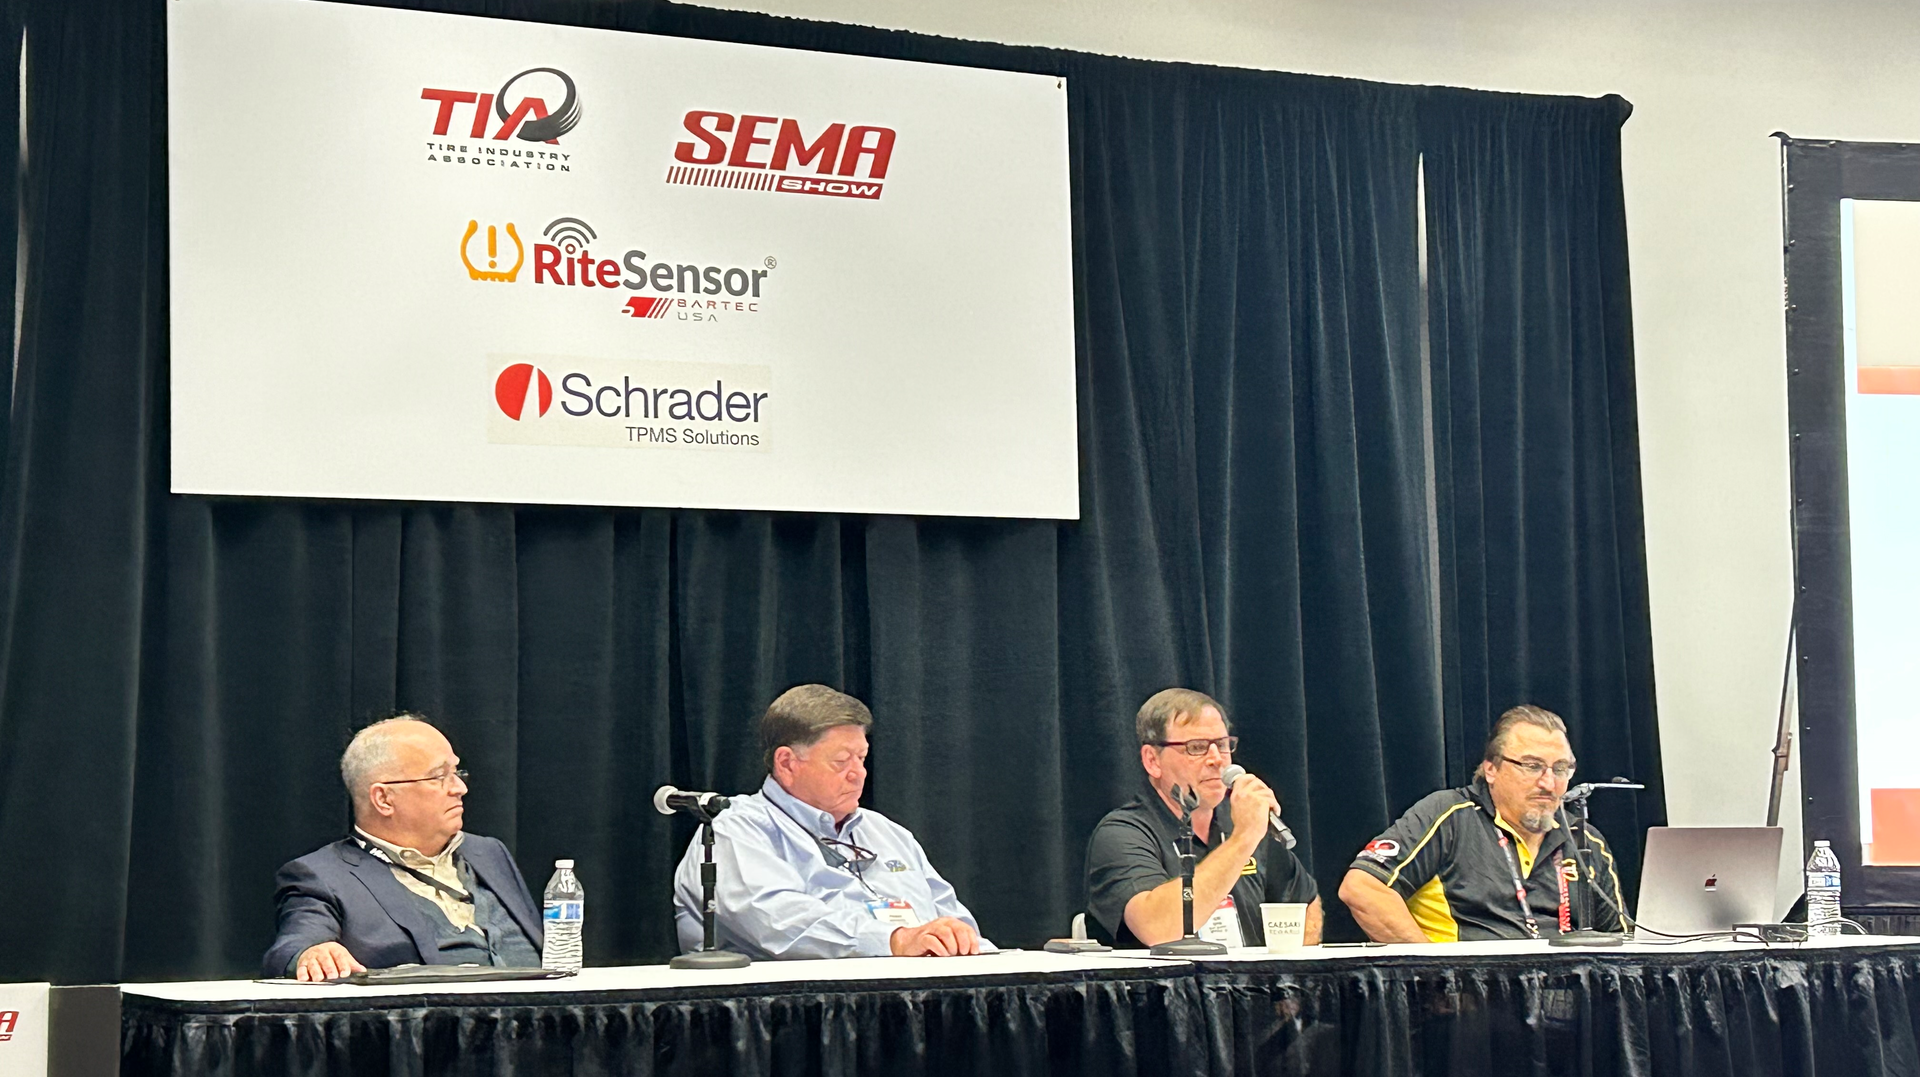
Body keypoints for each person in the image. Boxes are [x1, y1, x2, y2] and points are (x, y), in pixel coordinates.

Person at [672, 684, 991, 959]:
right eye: (841, 761)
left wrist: (972, 948)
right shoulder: (734, 829)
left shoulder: (888, 833)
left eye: (862, 758)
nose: (859, 773)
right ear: (787, 763)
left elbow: (953, 921)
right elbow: (777, 922)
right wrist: (896, 940)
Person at [262, 716, 544, 980]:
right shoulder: (322, 876)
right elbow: (294, 944)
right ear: (384, 798)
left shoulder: (490, 853)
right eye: (438, 777)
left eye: (457, 772)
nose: (459, 788)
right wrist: (310, 954)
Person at [1338, 704, 1626, 942]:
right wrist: (1436, 974)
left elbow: (1621, 940)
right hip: (1469, 999)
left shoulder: (1586, 840)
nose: (1549, 783)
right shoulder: (1450, 815)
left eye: (1561, 768)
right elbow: (1362, 888)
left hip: (1564, 1001)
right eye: (1532, 766)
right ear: (1491, 769)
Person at [1085, 688, 1323, 948]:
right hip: (1169, 986)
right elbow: (1159, 929)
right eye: (1196, 748)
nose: (1217, 760)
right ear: (1152, 760)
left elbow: (1306, 903)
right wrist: (1243, 839)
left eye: (1222, 745)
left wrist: (1289, 972)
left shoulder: (1242, 822)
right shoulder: (1123, 833)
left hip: (1248, 986)